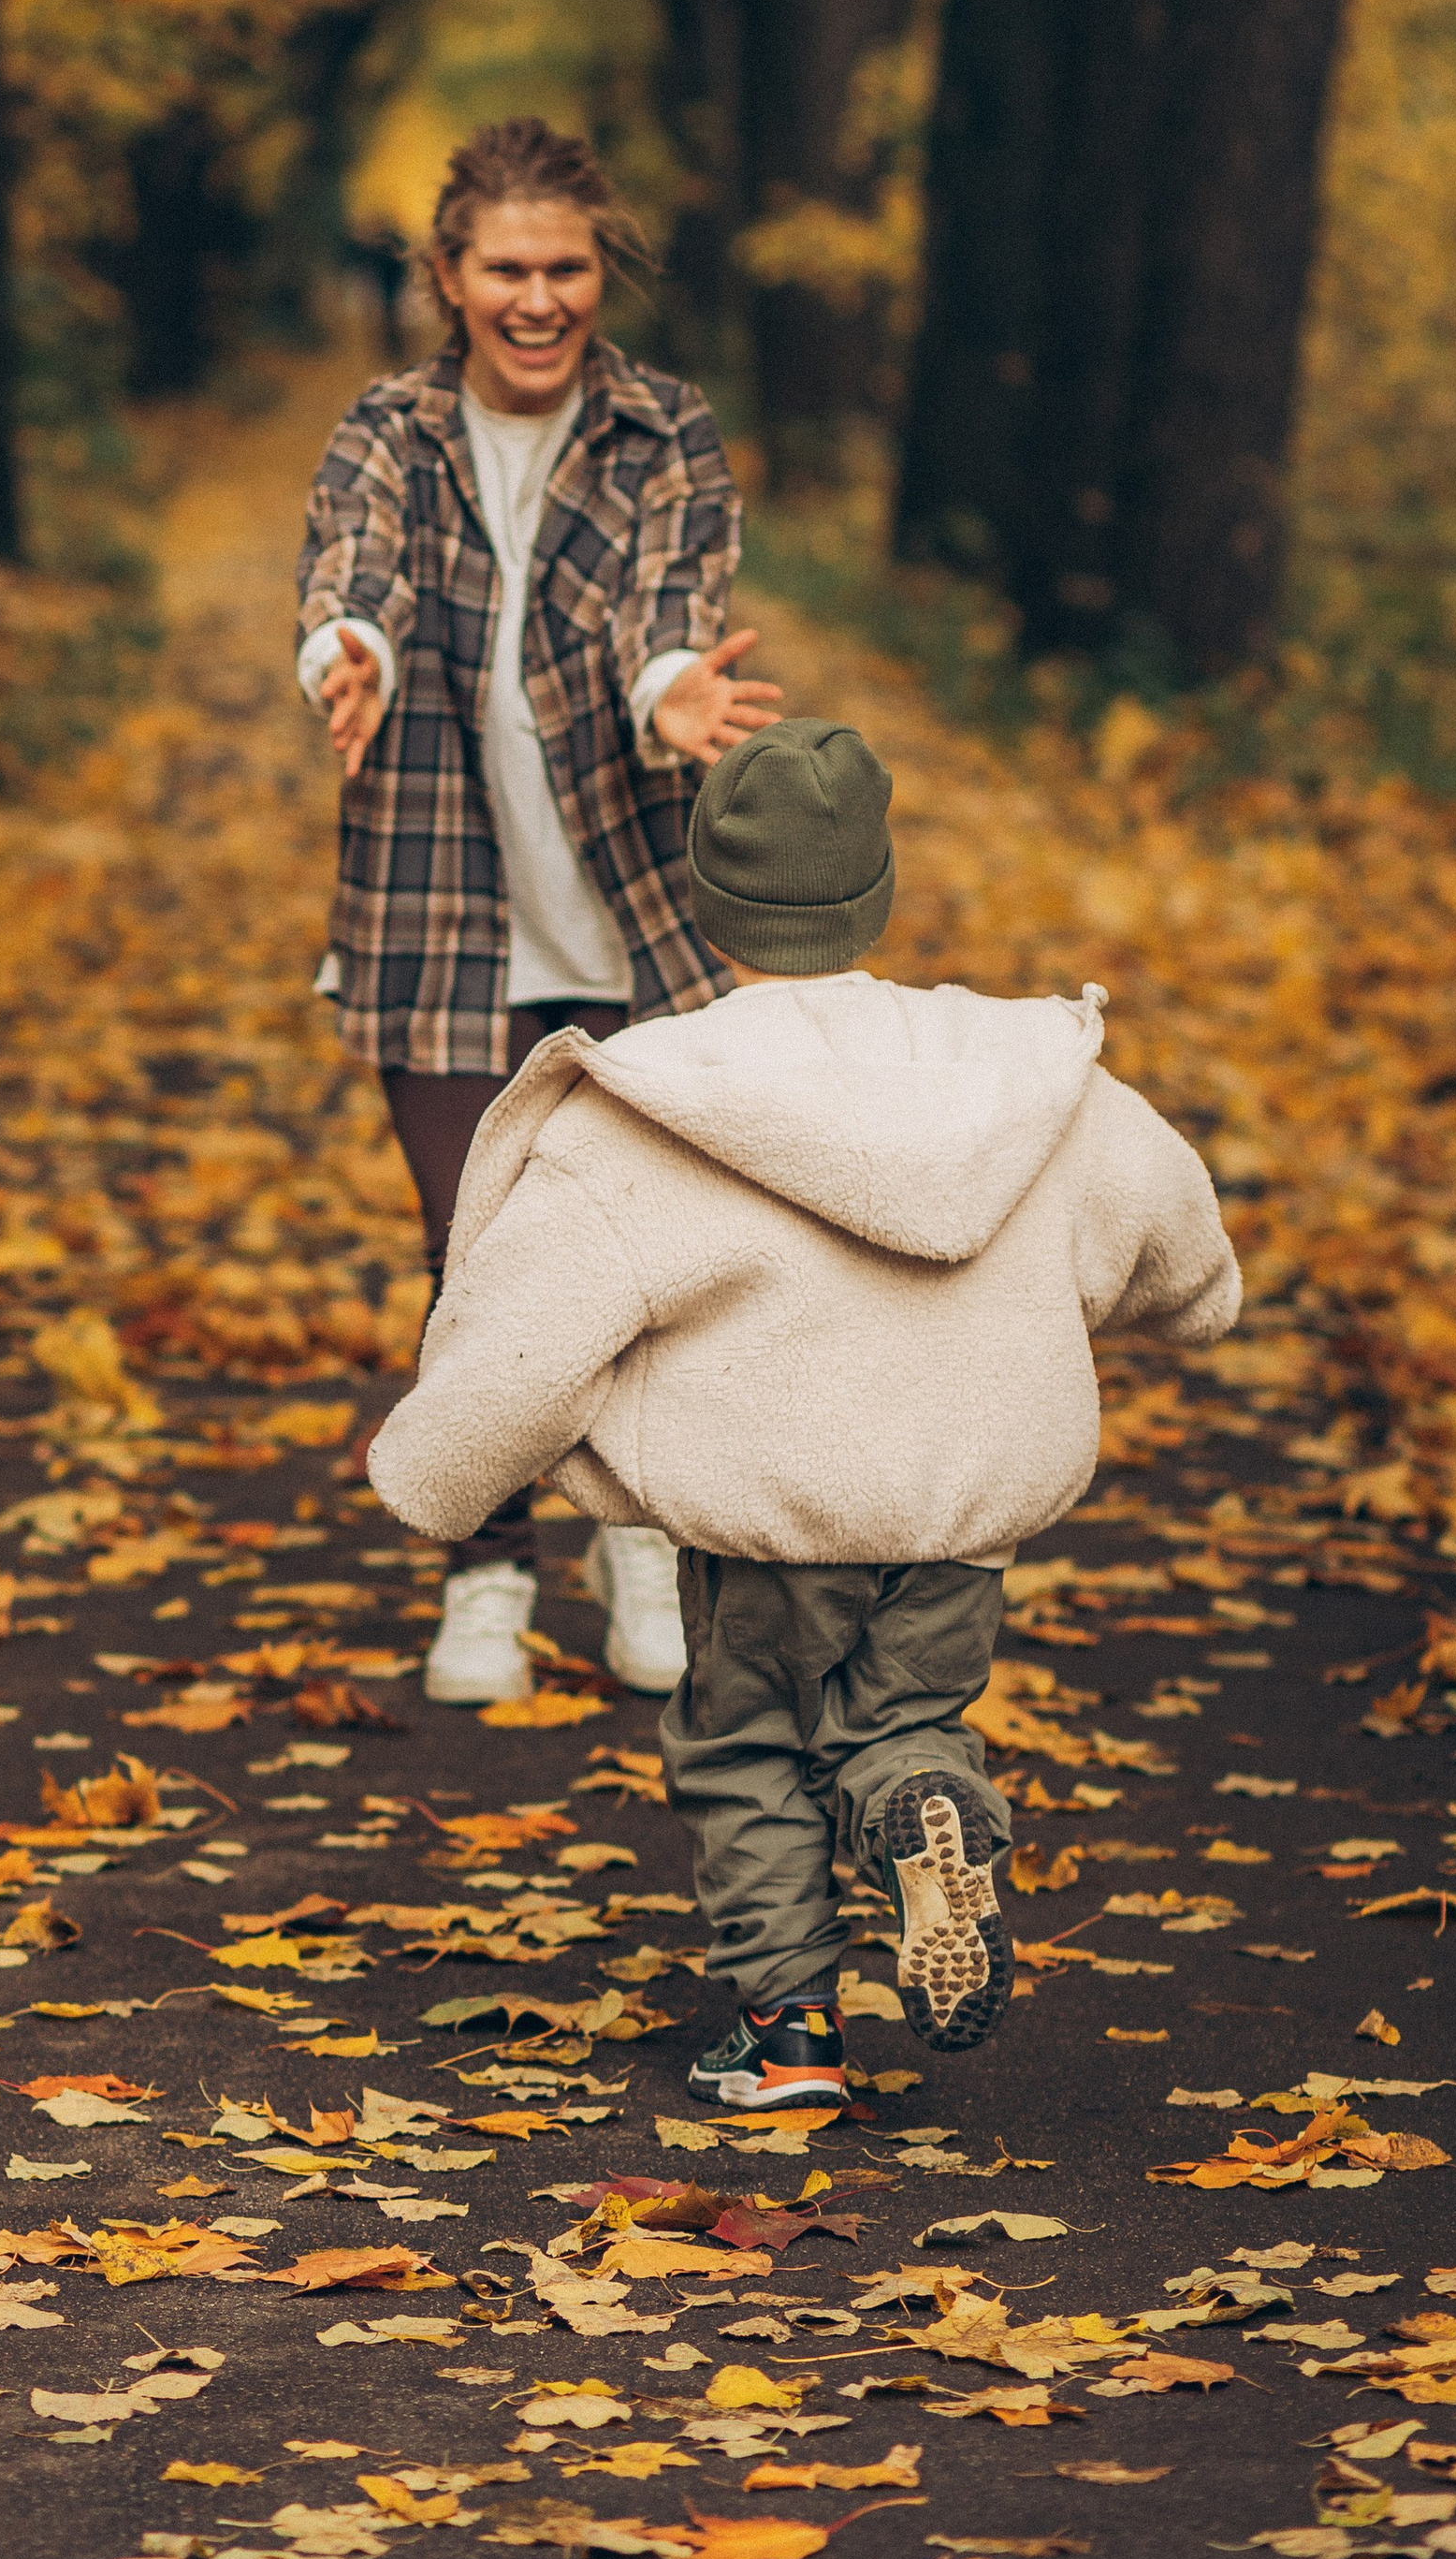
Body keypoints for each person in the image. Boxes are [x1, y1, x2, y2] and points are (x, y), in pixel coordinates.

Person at [364, 718, 1243, 2094]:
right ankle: (919, 1808)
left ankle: (786, 2037)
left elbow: (523, 1344)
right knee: (904, 1720)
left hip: (767, 1526)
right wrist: (1175, 1308)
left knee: (747, 1748)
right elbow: (1180, 1250)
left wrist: (436, 1476)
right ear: (877, 890)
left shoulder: (660, 1103)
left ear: (706, 903)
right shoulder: (1020, 1079)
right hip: (961, 1515)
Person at [297, 117, 781, 1707]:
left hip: (634, 921)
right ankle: (488, 1574)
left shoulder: (667, 435)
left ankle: (639, 1544)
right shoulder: (387, 430)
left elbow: (663, 613)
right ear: (448, 277)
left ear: (601, 273)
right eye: (504, 269)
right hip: (434, 913)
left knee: (637, 1258)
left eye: (564, 268)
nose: (536, 298)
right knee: (479, 1262)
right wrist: (341, 655)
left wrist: (668, 695)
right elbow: (348, 572)